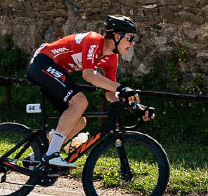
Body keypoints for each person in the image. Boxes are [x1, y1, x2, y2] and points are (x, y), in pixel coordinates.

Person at [27, 15, 146, 169]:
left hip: (54, 70)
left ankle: (34, 158)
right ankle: (51, 155)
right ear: (117, 36)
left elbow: (110, 94)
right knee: (80, 102)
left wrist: (133, 105)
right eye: (130, 38)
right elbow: (88, 75)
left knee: (78, 122)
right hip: (43, 62)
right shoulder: (93, 41)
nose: (132, 43)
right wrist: (121, 88)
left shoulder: (112, 59)